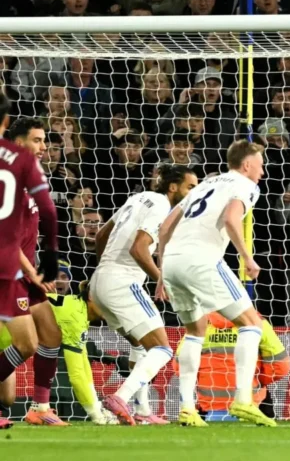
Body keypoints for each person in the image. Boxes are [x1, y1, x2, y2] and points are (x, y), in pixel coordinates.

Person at [157, 140, 275, 427]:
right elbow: (232, 219)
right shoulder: (246, 185)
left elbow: (164, 226)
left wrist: (162, 274)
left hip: (172, 261)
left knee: (195, 331)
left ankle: (187, 408)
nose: (262, 172)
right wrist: (248, 258)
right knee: (251, 324)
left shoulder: (205, 184)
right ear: (247, 165)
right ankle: (243, 399)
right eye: (260, 166)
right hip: (202, 260)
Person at [90, 164, 198, 425]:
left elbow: (101, 235)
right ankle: (120, 397)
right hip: (122, 282)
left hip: (102, 280)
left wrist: (103, 270)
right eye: (191, 187)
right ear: (173, 187)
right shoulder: (161, 205)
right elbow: (140, 249)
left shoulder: (138, 198)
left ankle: (143, 411)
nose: (195, 193)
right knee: (162, 349)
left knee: (140, 345)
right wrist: (161, 278)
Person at [0, 102, 59, 430]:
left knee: (50, 335)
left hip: (23, 270)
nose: (43, 146)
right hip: (14, 271)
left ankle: (40, 406)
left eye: (44, 139)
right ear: (18, 142)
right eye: (37, 139)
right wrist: (33, 272)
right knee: (27, 345)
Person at [0, 281, 118, 427]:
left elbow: (84, 364)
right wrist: (96, 414)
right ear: (92, 297)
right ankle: (40, 408)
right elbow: (77, 374)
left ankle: (40, 408)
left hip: (8, 340)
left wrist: (98, 406)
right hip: (8, 335)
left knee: (7, 398)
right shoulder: (74, 316)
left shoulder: (78, 311)